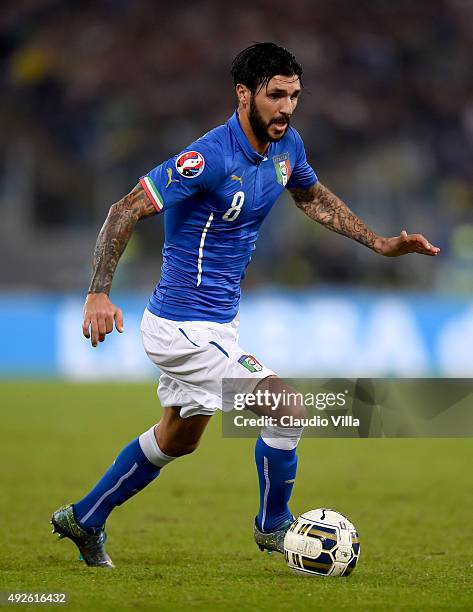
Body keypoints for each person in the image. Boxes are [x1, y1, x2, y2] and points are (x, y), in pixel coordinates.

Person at [51, 43, 439, 568]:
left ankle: (85, 517)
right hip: (180, 327)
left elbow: (311, 196)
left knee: (176, 440)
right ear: (244, 94)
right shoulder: (209, 156)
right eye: (276, 95)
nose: (286, 107)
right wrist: (98, 292)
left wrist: (380, 243)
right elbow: (124, 210)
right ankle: (273, 526)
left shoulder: (288, 146)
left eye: (295, 95)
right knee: (288, 409)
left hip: (219, 325)